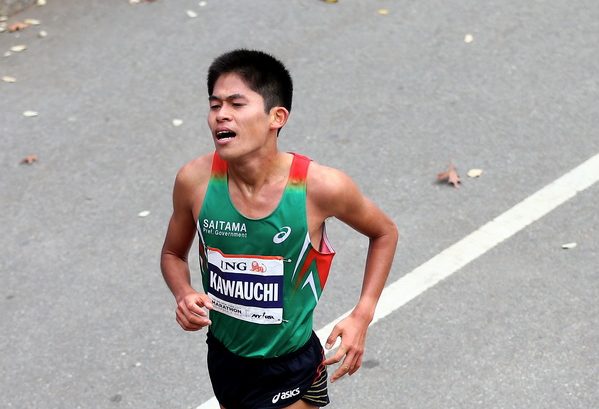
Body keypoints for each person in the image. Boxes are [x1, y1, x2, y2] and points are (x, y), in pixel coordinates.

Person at [160, 49, 398, 409]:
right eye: (214, 105)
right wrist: (182, 293)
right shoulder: (195, 181)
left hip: (290, 367)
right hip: (225, 357)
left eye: (236, 104)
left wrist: (362, 315)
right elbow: (172, 254)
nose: (221, 114)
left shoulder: (319, 188)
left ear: (277, 116)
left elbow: (384, 233)